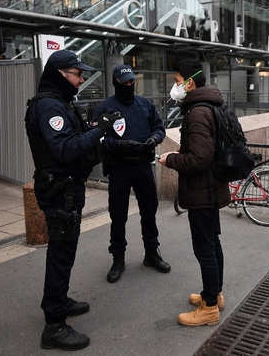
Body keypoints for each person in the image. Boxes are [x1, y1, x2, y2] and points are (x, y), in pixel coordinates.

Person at [24, 50, 120, 351]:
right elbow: (65, 150)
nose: (81, 79)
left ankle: (58, 301)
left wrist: (93, 130)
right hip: (59, 191)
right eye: (76, 74)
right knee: (61, 253)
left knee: (63, 251)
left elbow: (72, 141)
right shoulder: (49, 106)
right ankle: (54, 325)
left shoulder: (60, 103)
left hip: (66, 188)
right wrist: (101, 130)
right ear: (59, 74)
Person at [159, 59, 231, 327]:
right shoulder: (209, 105)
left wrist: (172, 159)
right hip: (211, 188)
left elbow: (199, 159)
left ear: (190, 82)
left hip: (203, 191)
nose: (174, 87)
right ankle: (215, 295)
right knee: (213, 244)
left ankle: (210, 308)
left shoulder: (198, 112)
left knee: (205, 249)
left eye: (177, 81)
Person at [93, 64, 170, 284]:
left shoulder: (145, 105)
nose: (129, 85)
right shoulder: (104, 108)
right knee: (118, 215)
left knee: (149, 211)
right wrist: (118, 145)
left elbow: (159, 128)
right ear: (115, 81)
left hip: (143, 166)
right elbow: (96, 138)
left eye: (131, 81)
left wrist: (154, 139)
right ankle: (118, 259)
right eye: (124, 81)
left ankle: (151, 253)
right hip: (119, 168)